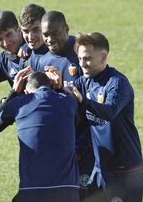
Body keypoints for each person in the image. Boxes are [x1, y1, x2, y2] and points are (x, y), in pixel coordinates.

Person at [67, 32, 143, 202]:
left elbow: (109, 112)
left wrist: (82, 100)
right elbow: (68, 91)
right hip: (100, 167)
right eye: (79, 59)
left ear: (103, 57)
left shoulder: (117, 83)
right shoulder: (85, 81)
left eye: (87, 58)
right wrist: (56, 85)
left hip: (123, 168)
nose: (82, 64)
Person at [0, 70, 79, 202]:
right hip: (68, 189)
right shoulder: (69, 101)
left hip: (32, 189)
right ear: (50, 86)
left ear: (26, 91)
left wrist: (13, 93)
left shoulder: (20, 102)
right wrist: (59, 88)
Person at [36, 11, 94, 198]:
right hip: (59, 147)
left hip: (86, 146)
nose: (50, 39)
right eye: (46, 35)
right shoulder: (41, 59)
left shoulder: (81, 55)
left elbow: (90, 104)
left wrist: (80, 147)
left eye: (55, 33)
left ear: (66, 29)